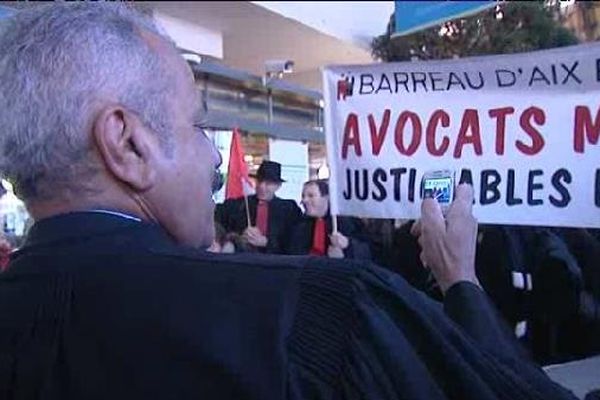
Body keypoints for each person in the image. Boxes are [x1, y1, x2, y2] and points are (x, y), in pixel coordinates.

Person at [0, 3, 576, 399]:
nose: (217, 161)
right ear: (127, 143)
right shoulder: (320, 314)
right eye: (198, 125)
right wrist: (460, 280)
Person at [216, 160, 301, 254]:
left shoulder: (289, 209)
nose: (262, 186)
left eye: (268, 183)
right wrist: (237, 238)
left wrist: (267, 243)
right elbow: (219, 226)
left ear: (278, 186)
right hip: (242, 260)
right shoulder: (237, 205)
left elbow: (294, 242)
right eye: (260, 181)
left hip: (275, 263)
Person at [286, 179, 370, 259]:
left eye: (311, 196)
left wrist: (347, 245)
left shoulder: (348, 222)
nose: (304, 200)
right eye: (303, 196)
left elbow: (368, 252)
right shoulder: (299, 224)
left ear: (326, 197)